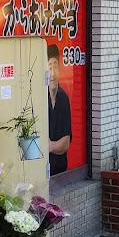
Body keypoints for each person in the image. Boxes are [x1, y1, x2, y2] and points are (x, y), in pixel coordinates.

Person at [47, 43, 72, 176]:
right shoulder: (38, 98)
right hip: (42, 169)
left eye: (55, 67)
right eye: (49, 68)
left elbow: (65, 143)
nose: (52, 74)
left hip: (60, 169)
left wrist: (49, 146)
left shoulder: (63, 98)